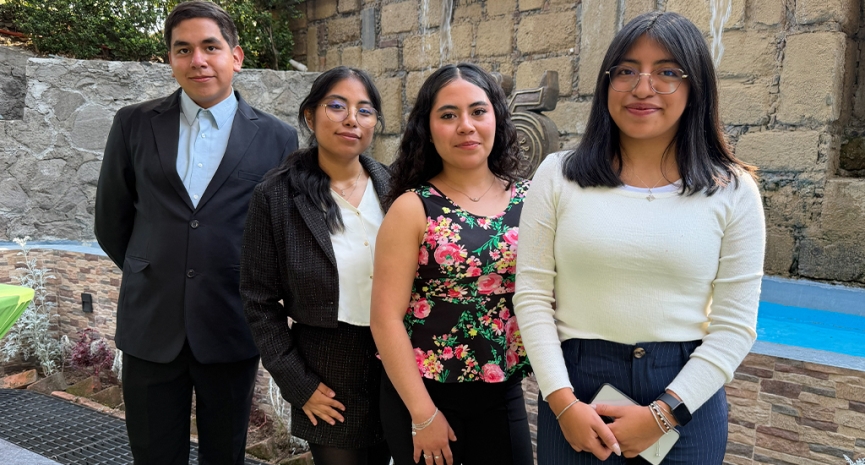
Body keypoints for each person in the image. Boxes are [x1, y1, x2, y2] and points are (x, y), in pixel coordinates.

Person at [513, 11, 766, 465]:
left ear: (696, 88)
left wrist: (664, 414)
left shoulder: (733, 190)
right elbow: (532, 296)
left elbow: (735, 326)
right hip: (576, 393)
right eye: (626, 70)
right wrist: (561, 401)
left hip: (685, 393)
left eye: (667, 72)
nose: (643, 87)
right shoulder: (557, 176)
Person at [94, 1, 298, 463]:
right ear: (171, 60)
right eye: (183, 49)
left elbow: (277, 234)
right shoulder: (133, 123)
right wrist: (151, 267)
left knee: (224, 454)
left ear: (236, 57)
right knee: (152, 453)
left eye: (210, 47)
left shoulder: (277, 138)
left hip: (230, 323)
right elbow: (112, 219)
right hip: (150, 322)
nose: (198, 60)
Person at [371, 62, 533, 465]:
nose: (466, 125)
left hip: (502, 389)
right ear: (428, 129)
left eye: (478, 111)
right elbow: (385, 319)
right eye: (448, 115)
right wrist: (423, 415)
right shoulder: (412, 207)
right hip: (424, 393)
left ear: (496, 117)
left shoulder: (530, 200)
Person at [241, 66, 391, 465]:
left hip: (399, 362)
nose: (351, 119)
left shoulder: (397, 190)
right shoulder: (276, 196)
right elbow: (258, 301)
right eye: (337, 106)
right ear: (310, 116)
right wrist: (297, 383)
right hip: (328, 370)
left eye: (365, 110)